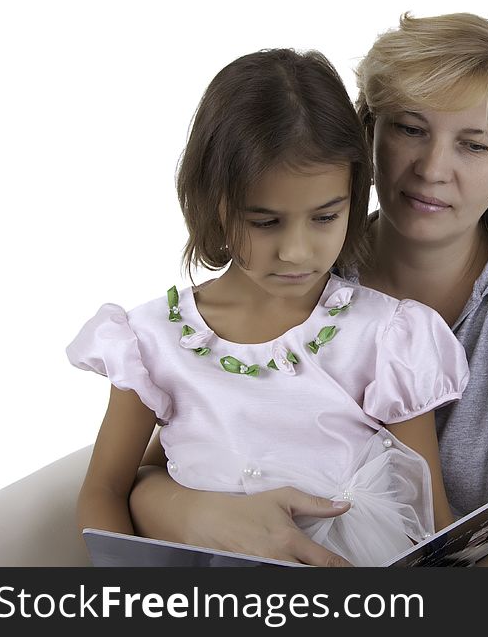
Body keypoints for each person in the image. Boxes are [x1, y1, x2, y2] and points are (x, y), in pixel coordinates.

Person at [128, 13, 488, 568]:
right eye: (410, 129)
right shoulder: (299, 272)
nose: (432, 169)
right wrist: (200, 514)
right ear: (365, 134)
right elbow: (173, 458)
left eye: (475, 145)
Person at [66, 48, 467, 567]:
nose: (297, 251)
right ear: (214, 203)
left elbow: (429, 515)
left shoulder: (388, 336)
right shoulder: (149, 341)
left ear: (354, 194)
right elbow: (104, 490)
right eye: (266, 222)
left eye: (325, 217)